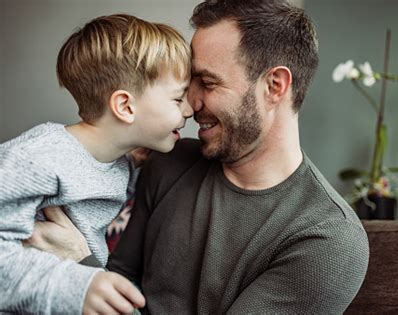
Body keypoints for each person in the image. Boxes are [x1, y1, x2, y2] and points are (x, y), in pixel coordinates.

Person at [28, 0, 370, 313]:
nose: (190, 104)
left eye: (207, 82)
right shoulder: (168, 161)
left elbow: (98, 278)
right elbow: (120, 278)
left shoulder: (329, 241)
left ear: (274, 86)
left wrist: (80, 266)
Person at [0, 14, 193, 314]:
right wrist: (75, 285)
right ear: (125, 106)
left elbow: (95, 192)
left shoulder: (117, 161)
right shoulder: (38, 158)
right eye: (178, 99)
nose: (190, 109)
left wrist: (134, 162)